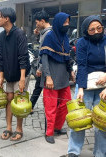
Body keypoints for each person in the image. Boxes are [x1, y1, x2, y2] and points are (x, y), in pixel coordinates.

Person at [67, 15, 106, 157]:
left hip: (104, 87)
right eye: (92, 29)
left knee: (102, 123)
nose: (96, 31)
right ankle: (73, 152)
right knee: (79, 118)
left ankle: (100, 154)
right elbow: (82, 65)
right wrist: (80, 88)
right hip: (86, 86)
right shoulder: (82, 42)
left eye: (99, 28)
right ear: (86, 30)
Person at [40, 12, 75, 144]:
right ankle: (49, 133)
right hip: (52, 79)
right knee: (51, 107)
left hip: (64, 78)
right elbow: (44, 58)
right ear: (58, 22)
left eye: (68, 22)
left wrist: (71, 71)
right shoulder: (49, 37)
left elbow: (67, 57)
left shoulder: (65, 38)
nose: (67, 25)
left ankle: (57, 127)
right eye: (64, 22)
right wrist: (48, 77)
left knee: (66, 104)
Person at [0, 8, 30, 141]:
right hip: (9, 74)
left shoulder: (19, 34)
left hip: (21, 73)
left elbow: (23, 56)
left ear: (7, 18)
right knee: (9, 99)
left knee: (19, 101)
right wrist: (1, 76)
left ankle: (19, 129)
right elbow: (0, 57)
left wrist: (22, 78)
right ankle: (9, 127)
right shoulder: (1, 36)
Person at [30, 10, 52, 110]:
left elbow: (45, 53)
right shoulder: (45, 33)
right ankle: (31, 106)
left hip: (45, 67)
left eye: (37, 22)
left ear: (42, 21)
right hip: (44, 66)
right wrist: (38, 34)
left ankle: (31, 106)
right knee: (38, 87)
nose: (36, 25)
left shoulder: (48, 34)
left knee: (38, 87)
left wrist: (40, 68)